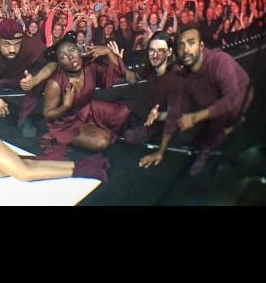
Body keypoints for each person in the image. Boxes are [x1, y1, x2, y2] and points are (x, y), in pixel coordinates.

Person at [139, 26, 254, 176]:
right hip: (212, 97)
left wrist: (195, 117)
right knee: (197, 111)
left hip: (241, 95)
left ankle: (213, 143)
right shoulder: (184, 76)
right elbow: (175, 112)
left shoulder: (220, 61)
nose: (185, 49)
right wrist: (161, 151)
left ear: (201, 45)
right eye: (181, 45)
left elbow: (231, 98)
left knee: (220, 116)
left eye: (191, 43)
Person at [41, 32, 131, 153]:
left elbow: (115, 76)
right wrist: (65, 105)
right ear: (60, 64)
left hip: (87, 109)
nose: (71, 57)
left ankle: (91, 128)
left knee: (124, 112)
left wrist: (109, 53)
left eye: (72, 50)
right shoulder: (54, 83)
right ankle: (77, 135)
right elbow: (47, 114)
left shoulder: (90, 67)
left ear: (79, 50)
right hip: (66, 123)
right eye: (63, 57)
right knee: (103, 141)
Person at [123, 30, 180, 144]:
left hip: (166, 123)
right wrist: (117, 61)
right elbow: (132, 78)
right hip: (150, 113)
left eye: (160, 51)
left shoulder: (177, 76)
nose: (155, 55)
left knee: (129, 136)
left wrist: (158, 116)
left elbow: (176, 112)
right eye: (152, 50)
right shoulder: (150, 68)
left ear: (169, 52)